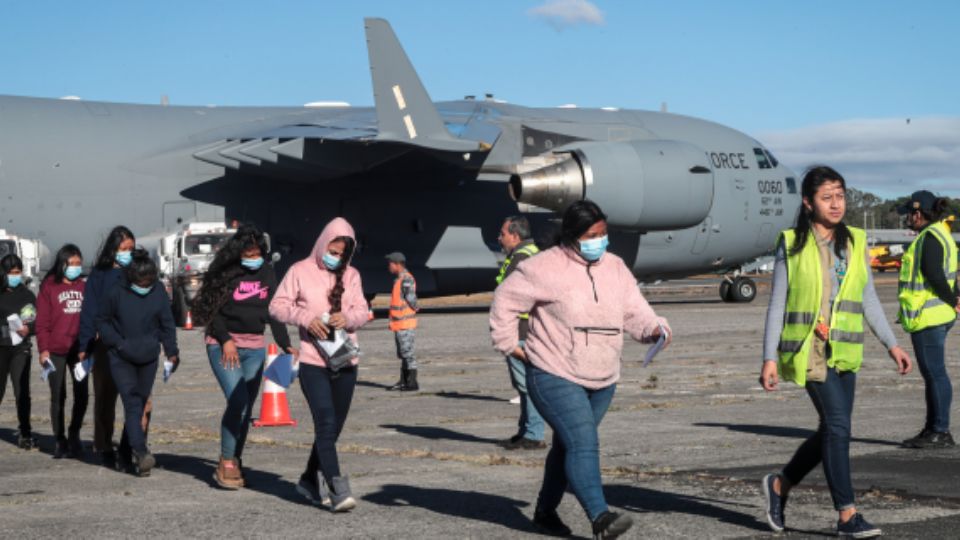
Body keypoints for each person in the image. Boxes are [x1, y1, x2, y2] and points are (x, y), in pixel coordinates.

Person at [490, 200, 671, 539]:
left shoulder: (615, 267)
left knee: (568, 445)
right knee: (584, 443)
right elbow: (504, 301)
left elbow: (635, 311)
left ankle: (545, 512)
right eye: (592, 235)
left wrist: (655, 329)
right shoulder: (543, 267)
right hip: (553, 371)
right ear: (572, 235)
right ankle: (601, 518)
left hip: (603, 376)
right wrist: (510, 345)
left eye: (603, 234)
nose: (600, 241)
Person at [759, 166, 912, 538]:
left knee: (832, 427)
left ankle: (780, 485)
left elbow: (868, 299)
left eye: (840, 195)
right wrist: (768, 357)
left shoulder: (855, 241)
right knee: (840, 427)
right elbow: (777, 303)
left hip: (845, 350)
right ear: (809, 203)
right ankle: (847, 515)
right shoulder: (792, 243)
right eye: (827, 197)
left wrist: (892, 344)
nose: (836, 204)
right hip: (808, 350)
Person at [270, 218, 369, 512]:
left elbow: (363, 311)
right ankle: (337, 487)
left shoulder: (351, 275)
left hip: (345, 360)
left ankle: (308, 481)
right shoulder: (299, 271)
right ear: (322, 243)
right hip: (313, 362)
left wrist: (347, 318)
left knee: (332, 431)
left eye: (342, 254)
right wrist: (305, 319)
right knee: (324, 423)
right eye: (332, 250)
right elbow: (277, 306)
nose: (336, 258)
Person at [191, 224, 296, 489]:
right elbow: (210, 310)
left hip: (255, 347)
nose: (252, 259)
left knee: (246, 407)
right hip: (223, 344)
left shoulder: (267, 272)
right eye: (247, 254)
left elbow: (274, 310)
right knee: (237, 400)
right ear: (238, 253)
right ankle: (227, 460)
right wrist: (225, 340)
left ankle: (234, 458)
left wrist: (285, 344)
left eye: (256, 253)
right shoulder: (225, 272)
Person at [96, 249, 178, 477]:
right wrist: (118, 343)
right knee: (132, 403)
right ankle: (141, 453)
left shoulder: (158, 291)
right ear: (131, 277)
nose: (145, 284)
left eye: (149, 281)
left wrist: (172, 351)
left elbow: (167, 322)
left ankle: (124, 452)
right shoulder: (115, 292)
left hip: (148, 357)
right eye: (140, 281)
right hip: (121, 357)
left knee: (140, 405)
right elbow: (102, 322)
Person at [78, 225, 154, 469]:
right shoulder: (99, 276)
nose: (128, 253)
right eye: (124, 249)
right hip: (105, 345)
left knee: (140, 400)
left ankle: (131, 446)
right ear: (113, 249)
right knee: (105, 397)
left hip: (135, 343)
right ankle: (103, 447)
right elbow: (89, 311)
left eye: (131, 248)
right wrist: (85, 344)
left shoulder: (137, 272)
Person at [896, 190, 957, 449]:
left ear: (918, 213)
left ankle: (940, 431)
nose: (906, 218)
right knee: (934, 374)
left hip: (928, 317)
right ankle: (932, 428)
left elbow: (934, 273)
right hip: (937, 315)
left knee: (935, 374)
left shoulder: (928, 238)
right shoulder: (941, 234)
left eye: (909, 213)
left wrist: (953, 299)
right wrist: (954, 298)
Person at [495, 215, 546, 450]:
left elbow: (511, 296)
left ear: (515, 236)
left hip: (521, 332)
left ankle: (533, 433)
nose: (499, 238)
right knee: (524, 384)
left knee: (526, 384)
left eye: (503, 234)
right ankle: (526, 430)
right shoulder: (530, 254)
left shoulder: (521, 259)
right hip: (526, 330)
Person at [36, 244, 88, 459]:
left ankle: (74, 433)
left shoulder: (84, 287)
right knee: (58, 395)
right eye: (71, 263)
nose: (75, 268)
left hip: (79, 352)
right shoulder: (49, 287)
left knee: (82, 395)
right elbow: (42, 323)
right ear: (62, 263)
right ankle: (59, 439)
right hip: (55, 351)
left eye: (79, 264)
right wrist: (43, 349)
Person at [0, 254, 38, 450]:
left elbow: (36, 322)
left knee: (22, 391)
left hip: (20, 349)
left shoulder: (27, 295)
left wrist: (28, 329)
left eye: (18, 272)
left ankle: (25, 432)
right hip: (1, 348)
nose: (15, 276)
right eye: (11, 272)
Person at [385, 252, 419, 391]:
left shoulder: (406, 279)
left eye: (390, 264)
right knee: (404, 354)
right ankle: (404, 380)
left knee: (408, 353)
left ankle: (412, 383)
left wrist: (415, 308)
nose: (389, 266)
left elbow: (411, 298)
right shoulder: (399, 279)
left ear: (397, 264)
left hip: (405, 323)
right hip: (399, 323)